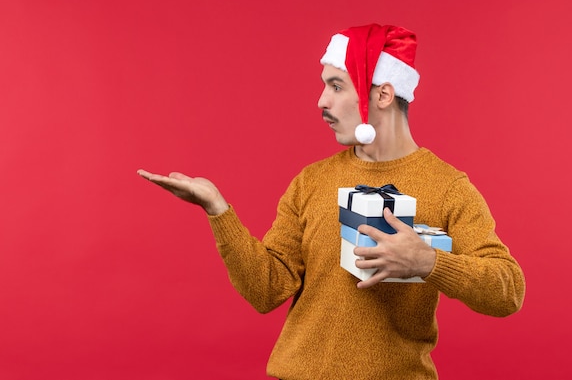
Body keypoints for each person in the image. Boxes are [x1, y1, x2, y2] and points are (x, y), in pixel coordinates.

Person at [138, 24, 525, 380]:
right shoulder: (311, 181)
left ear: (383, 94)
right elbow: (266, 289)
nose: (321, 101)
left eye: (337, 86)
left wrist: (427, 261)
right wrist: (217, 209)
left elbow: (508, 290)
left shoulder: (448, 187)